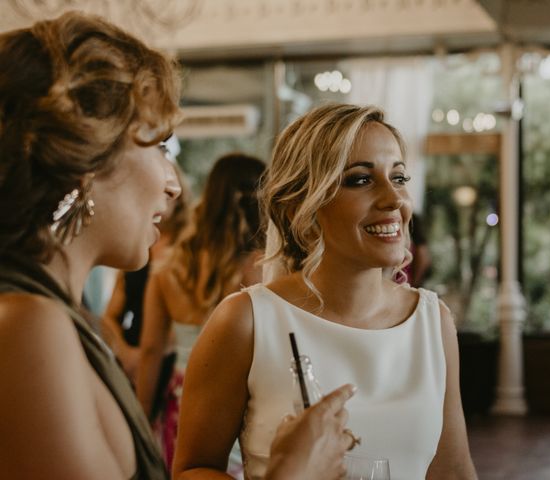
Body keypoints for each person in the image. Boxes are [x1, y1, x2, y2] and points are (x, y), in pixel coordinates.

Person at [0, 13, 356, 480]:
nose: (173, 184)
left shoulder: (58, 315)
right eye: (160, 148)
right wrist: (293, 472)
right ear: (87, 157)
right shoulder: (29, 326)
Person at [174, 103, 478, 480]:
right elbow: (192, 470)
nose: (394, 200)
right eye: (360, 180)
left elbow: (452, 470)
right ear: (300, 205)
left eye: (398, 178)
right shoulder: (246, 321)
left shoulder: (434, 322)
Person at [136, 152, 267, 470]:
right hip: (244, 400)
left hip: (182, 401)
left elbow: (151, 349)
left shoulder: (171, 265)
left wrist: (139, 418)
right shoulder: (265, 269)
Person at [101, 160, 190, 384]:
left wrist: (152, 353)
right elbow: (110, 316)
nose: (164, 198)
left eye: (169, 195)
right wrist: (126, 353)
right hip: (132, 353)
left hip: (171, 360)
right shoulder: (136, 251)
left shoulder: (188, 249)